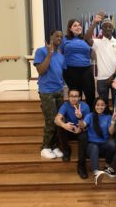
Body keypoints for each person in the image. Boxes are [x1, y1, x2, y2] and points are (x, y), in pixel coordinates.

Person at [33, 29, 66, 159]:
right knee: (51, 121)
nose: (59, 38)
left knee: (59, 120)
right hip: (47, 92)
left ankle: (54, 146)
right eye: (56, 35)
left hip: (59, 91)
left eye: (61, 37)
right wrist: (50, 54)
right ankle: (45, 147)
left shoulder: (61, 56)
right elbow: (41, 71)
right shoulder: (41, 51)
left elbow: (60, 74)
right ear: (50, 36)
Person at [84, 13, 116, 105]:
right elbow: (86, 38)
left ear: (113, 29)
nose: (107, 28)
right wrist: (95, 22)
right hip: (101, 80)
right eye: (105, 26)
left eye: (109, 26)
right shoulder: (97, 42)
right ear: (102, 29)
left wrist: (113, 76)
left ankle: (115, 120)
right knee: (103, 105)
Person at [78, 97, 116, 185]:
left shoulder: (108, 117)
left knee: (112, 144)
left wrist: (113, 121)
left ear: (105, 106)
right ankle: (96, 173)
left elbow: (111, 132)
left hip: (103, 146)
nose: (100, 107)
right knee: (94, 147)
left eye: (102, 105)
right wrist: (80, 118)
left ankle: (107, 167)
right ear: (95, 106)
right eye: (98, 105)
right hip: (91, 147)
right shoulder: (89, 116)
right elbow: (82, 125)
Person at [59, 19, 95, 110]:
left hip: (86, 70)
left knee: (90, 95)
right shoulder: (65, 39)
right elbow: (58, 55)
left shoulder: (85, 40)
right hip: (71, 71)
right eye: (75, 25)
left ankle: (90, 118)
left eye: (79, 25)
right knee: (75, 95)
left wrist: (93, 46)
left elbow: (93, 57)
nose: (78, 27)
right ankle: (76, 117)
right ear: (70, 28)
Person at [54, 89, 90, 179]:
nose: (73, 98)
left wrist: (80, 123)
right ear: (68, 97)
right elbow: (56, 119)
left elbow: (88, 123)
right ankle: (66, 150)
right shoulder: (65, 105)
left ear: (79, 98)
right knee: (59, 126)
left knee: (84, 136)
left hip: (80, 130)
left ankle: (81, 165)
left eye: (75, 96)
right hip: (69, 130)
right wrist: (64, 125)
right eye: (71, 96)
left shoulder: (85, 107)